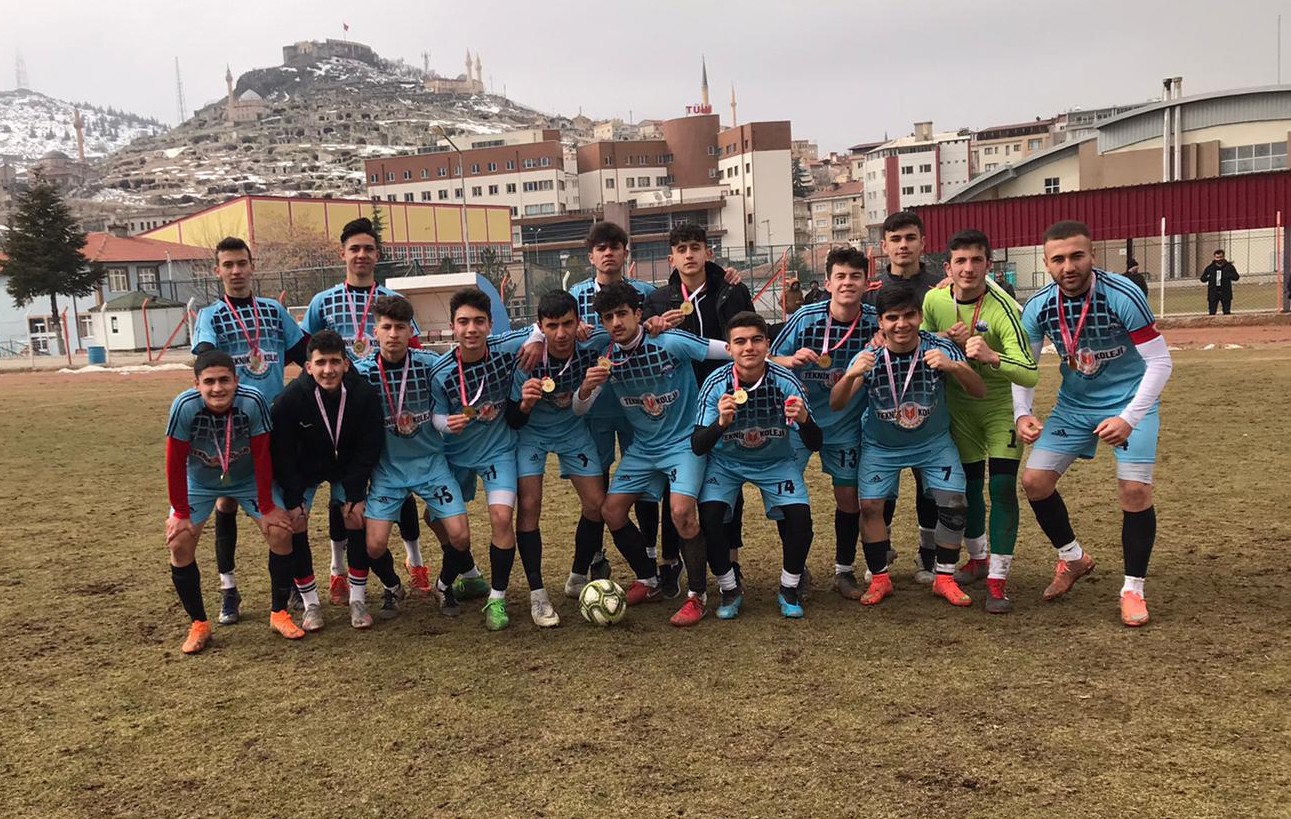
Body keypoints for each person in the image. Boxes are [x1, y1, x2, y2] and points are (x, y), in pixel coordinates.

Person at [1013, 220, 1172, 627]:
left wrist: (1128, 417)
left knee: (1134, 490)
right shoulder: (1039, 306)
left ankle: (1132, 589)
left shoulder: (1123, 295)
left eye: (1077, 256)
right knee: (1035, 482)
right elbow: (1025, 367)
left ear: (1093, 256)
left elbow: (1160, 362)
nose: (1069, 266)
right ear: (1046, 263)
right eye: (1059, 259)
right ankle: (1072, 559)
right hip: (1075, 406)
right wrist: (1023, 412)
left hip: (1130, 402)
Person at [571, 281, 732, 615]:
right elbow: (580, 409)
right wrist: (585, 389)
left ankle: (697, 596)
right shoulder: (607, 359)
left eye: (622, 314)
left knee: (681, 513)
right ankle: (648, 580)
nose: (615, 323)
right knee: (611, 511)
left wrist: (773, 360)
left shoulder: (670, 341)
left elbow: (728, 350)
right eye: (607, 317)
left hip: (683, 443)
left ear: (639, 314)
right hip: (644, 448)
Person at [830, 284, 986, 608]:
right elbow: (837, 403)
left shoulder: (938, 348)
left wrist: (954, 366)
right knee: (871, 508)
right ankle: (881, 579)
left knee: (955, 505)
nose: (902, 324)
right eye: (892, 318)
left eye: (909, 315)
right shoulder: (869, 356)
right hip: (881, 446)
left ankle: (944, 578)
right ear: (881, 323)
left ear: (919, 316)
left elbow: (978, 391)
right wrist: (849, 376)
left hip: (933, 443)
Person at [301, 217, 432, 602]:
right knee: (341, 494)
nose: (361, 255)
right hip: (340, 415)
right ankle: (337, 569)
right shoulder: (321, 302)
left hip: (388, 409)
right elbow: (308, 357)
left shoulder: (393, 300)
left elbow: (417, 352)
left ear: (377, 254)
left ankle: (416, 562)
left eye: (368, 248)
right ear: (342, 253)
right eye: (354, 248)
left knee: (401, 487)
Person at [920, 230, 1039, 613]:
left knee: (1002, 487)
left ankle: (999, 580)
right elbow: (918, 342)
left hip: (998, 408)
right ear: (948, 267)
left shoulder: (1003, 308)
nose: (968, 268)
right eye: (961, 261)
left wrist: (992, 356)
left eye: (976, 261)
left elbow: (1031, 372)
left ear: (990, 265)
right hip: (957, 408)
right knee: (967, 489)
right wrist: (941, 336)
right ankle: (978, 558)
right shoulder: (934, 299)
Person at [191, 236, 307, 627]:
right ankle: (228, 587)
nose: (236, 271)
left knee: (287, 500)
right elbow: (205, 362)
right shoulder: (210, 316)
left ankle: (294, 580)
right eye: (228, 264)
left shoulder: (274, 312)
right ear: (218, 270)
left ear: (252, 266)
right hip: (232, 426)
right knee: (226, 502)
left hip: (275, 425)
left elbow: (304, 354)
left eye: (242, 263)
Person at [689, 312, 822, 624]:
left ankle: (789, 589)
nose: (749, 347)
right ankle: (730, 589)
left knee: (800, 517)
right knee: (709, 516)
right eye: (740, 341)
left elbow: (816, 441)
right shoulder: (715, 384)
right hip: (727, 463)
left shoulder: (787, 382)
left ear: (767, 345)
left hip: (775, 461)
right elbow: (698, 444)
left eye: (756, 340)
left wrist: (803, 419)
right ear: (730, 348)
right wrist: (721, 424)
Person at [644, 222, 756, 590]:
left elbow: (748, 336)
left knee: (727, 478)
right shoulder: (659, 300)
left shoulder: (732, 290)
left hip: (723, 393)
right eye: (681, 249)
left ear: (708, 252)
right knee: (672, 482)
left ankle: (733, 561)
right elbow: (644, 341)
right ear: (671, 258)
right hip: (677, 401)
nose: (689, 255)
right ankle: (669, 561)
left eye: (696, 247)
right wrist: (654, 326)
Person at [164, 350, 299, 654]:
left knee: (280, 531)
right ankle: (199, 623)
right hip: (199, 482)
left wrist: (266, 507)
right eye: (209, 381)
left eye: (224, 380)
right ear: (196, 384)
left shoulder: (252, 402)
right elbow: (174, 462)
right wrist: (181, 512)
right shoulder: (184, 406)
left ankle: (279, 613)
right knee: (179, 541)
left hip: (246, 477)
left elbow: (263, 455)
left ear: (236, 381)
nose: (217, 388)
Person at [353, 296, 475, 624]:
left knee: (460, 536)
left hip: (431, 464)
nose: (394, 334)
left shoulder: (428, 364)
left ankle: (443, 585)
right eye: (387, 327)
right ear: (374, 331)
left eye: (401, 327)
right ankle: (392, 586)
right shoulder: (361, 374)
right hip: (388, 470)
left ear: (410, 331)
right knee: (374, 546)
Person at [771, 246, 879, 599]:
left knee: (848, 498)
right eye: (841, 277)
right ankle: (796, 569)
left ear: (866, 282)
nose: (848, 283)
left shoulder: (876, 322)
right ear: (829, 283)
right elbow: (768, 358)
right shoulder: (805, 318)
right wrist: (790, 358)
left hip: (846, 424)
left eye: (855, 276)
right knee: (788, 497)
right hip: (801, 421)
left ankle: (843, 571)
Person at [429, 287, 535, 631]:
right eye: (463, 322)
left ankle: (497, 598)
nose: (471, 329)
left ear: (490, 325)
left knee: (502, 519)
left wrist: (536, 340)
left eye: (478, 321)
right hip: (455, 457)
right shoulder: (440, 371)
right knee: (437, 521)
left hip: (498, 451)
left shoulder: (506, 349)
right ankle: (471, 572)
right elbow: (435, 418)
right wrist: (448, 424)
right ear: (452, 326)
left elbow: (538, 329)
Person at [269, 330, 385, 629]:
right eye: (320, 363)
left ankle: (357, 599)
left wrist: (355, 490)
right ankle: (311, 605)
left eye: (335, 362)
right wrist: (294, 498)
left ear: (347, 364)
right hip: (305, 470)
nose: (328, 370)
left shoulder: (364, 394)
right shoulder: (290, 399)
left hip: (346, 467)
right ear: (308, 367)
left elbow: (369, 446)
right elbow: (282, 453)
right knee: (295, 521)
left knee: (355, 516)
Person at [568, 221, 662, 583]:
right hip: (596, 407)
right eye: (601, 248)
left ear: (626, 253)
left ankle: (650, 552)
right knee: (598, 483)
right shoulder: (575, 296)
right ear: (591, 256)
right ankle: (595, 556)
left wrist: (655, 324)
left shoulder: (646, 293)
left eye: (615, 247)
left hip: (639, 403)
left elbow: (658, 328)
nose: (608, 253)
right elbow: (549, 331)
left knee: (646, 481)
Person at [509, 290, 608, 625]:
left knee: (597, 504)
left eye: (568, 324)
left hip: (572, 431)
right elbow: (514, 419)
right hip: (532, 435)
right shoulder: (526, 355)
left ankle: (578, 576)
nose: (561, 333)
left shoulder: (591, 345)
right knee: (530, 505)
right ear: (540, 327)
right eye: (552, 326)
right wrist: (524, 404)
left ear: (578, 322)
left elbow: (623, 331)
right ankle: (538, 595)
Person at [863, 212, 947, 582]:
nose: (903, 245)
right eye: (895, 239)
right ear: (884, 246)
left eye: (910, 238)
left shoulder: (941, 288)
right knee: (886, 483)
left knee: (929, 484)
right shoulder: (870, 289)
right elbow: (863, 334)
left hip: (930, 398)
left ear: (922, 243)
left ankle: (928, 554)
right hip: (884, 400)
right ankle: (885, 547)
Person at [1201, 249, 1239, 315]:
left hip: (1225, 291)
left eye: (1221, 257)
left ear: (1223, 257)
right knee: (1212, 312)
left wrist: (1227, 275)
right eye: (1217, 257)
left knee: (1226, 311)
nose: (1219, 259)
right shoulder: (1210, 268)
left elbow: (1236, 277)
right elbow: (1202, 279)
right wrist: (1209, 278)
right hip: (1213, 292)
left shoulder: (1229, 267)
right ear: (1214, 257)